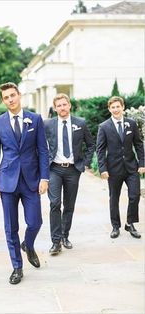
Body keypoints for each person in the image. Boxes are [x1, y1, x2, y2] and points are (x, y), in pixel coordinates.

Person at [0, 82, 49, 285]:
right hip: (7, 182)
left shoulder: (35, 119)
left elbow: (43, 150)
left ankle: (29, 244)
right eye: (6, 97)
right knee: (10, 227)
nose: (10, 99)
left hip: (31, 180)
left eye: (13, 95)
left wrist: (44, 177)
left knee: (35, 222)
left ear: (19, 95)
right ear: (3, 100)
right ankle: (17, 266)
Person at [44, 93, 94, 255]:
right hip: (54, 169)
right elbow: (40, 146)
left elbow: (91, 145)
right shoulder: (48, 124)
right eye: (59, 105)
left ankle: (65, 236)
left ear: (69, 105)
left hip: (73, 170)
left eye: (64, 104)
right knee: (55, 203)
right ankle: (56, 241)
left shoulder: (81, 123)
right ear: (55, 108)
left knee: (69, 205)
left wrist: (85, 163)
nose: (62, 108)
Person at [96, 96, 145, 239]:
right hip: (113, 169)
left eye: (118, 106)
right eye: (113, 107)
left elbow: (139, 144)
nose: (116, 109)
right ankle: (115, 226)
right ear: (109, 109)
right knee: (114, 198)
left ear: (123, 107)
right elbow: (100, 150)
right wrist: (103, 168)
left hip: (131, 168)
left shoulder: (132, 124)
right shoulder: (104, 127)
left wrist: (142, 163)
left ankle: (130, 223)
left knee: (135, 195)